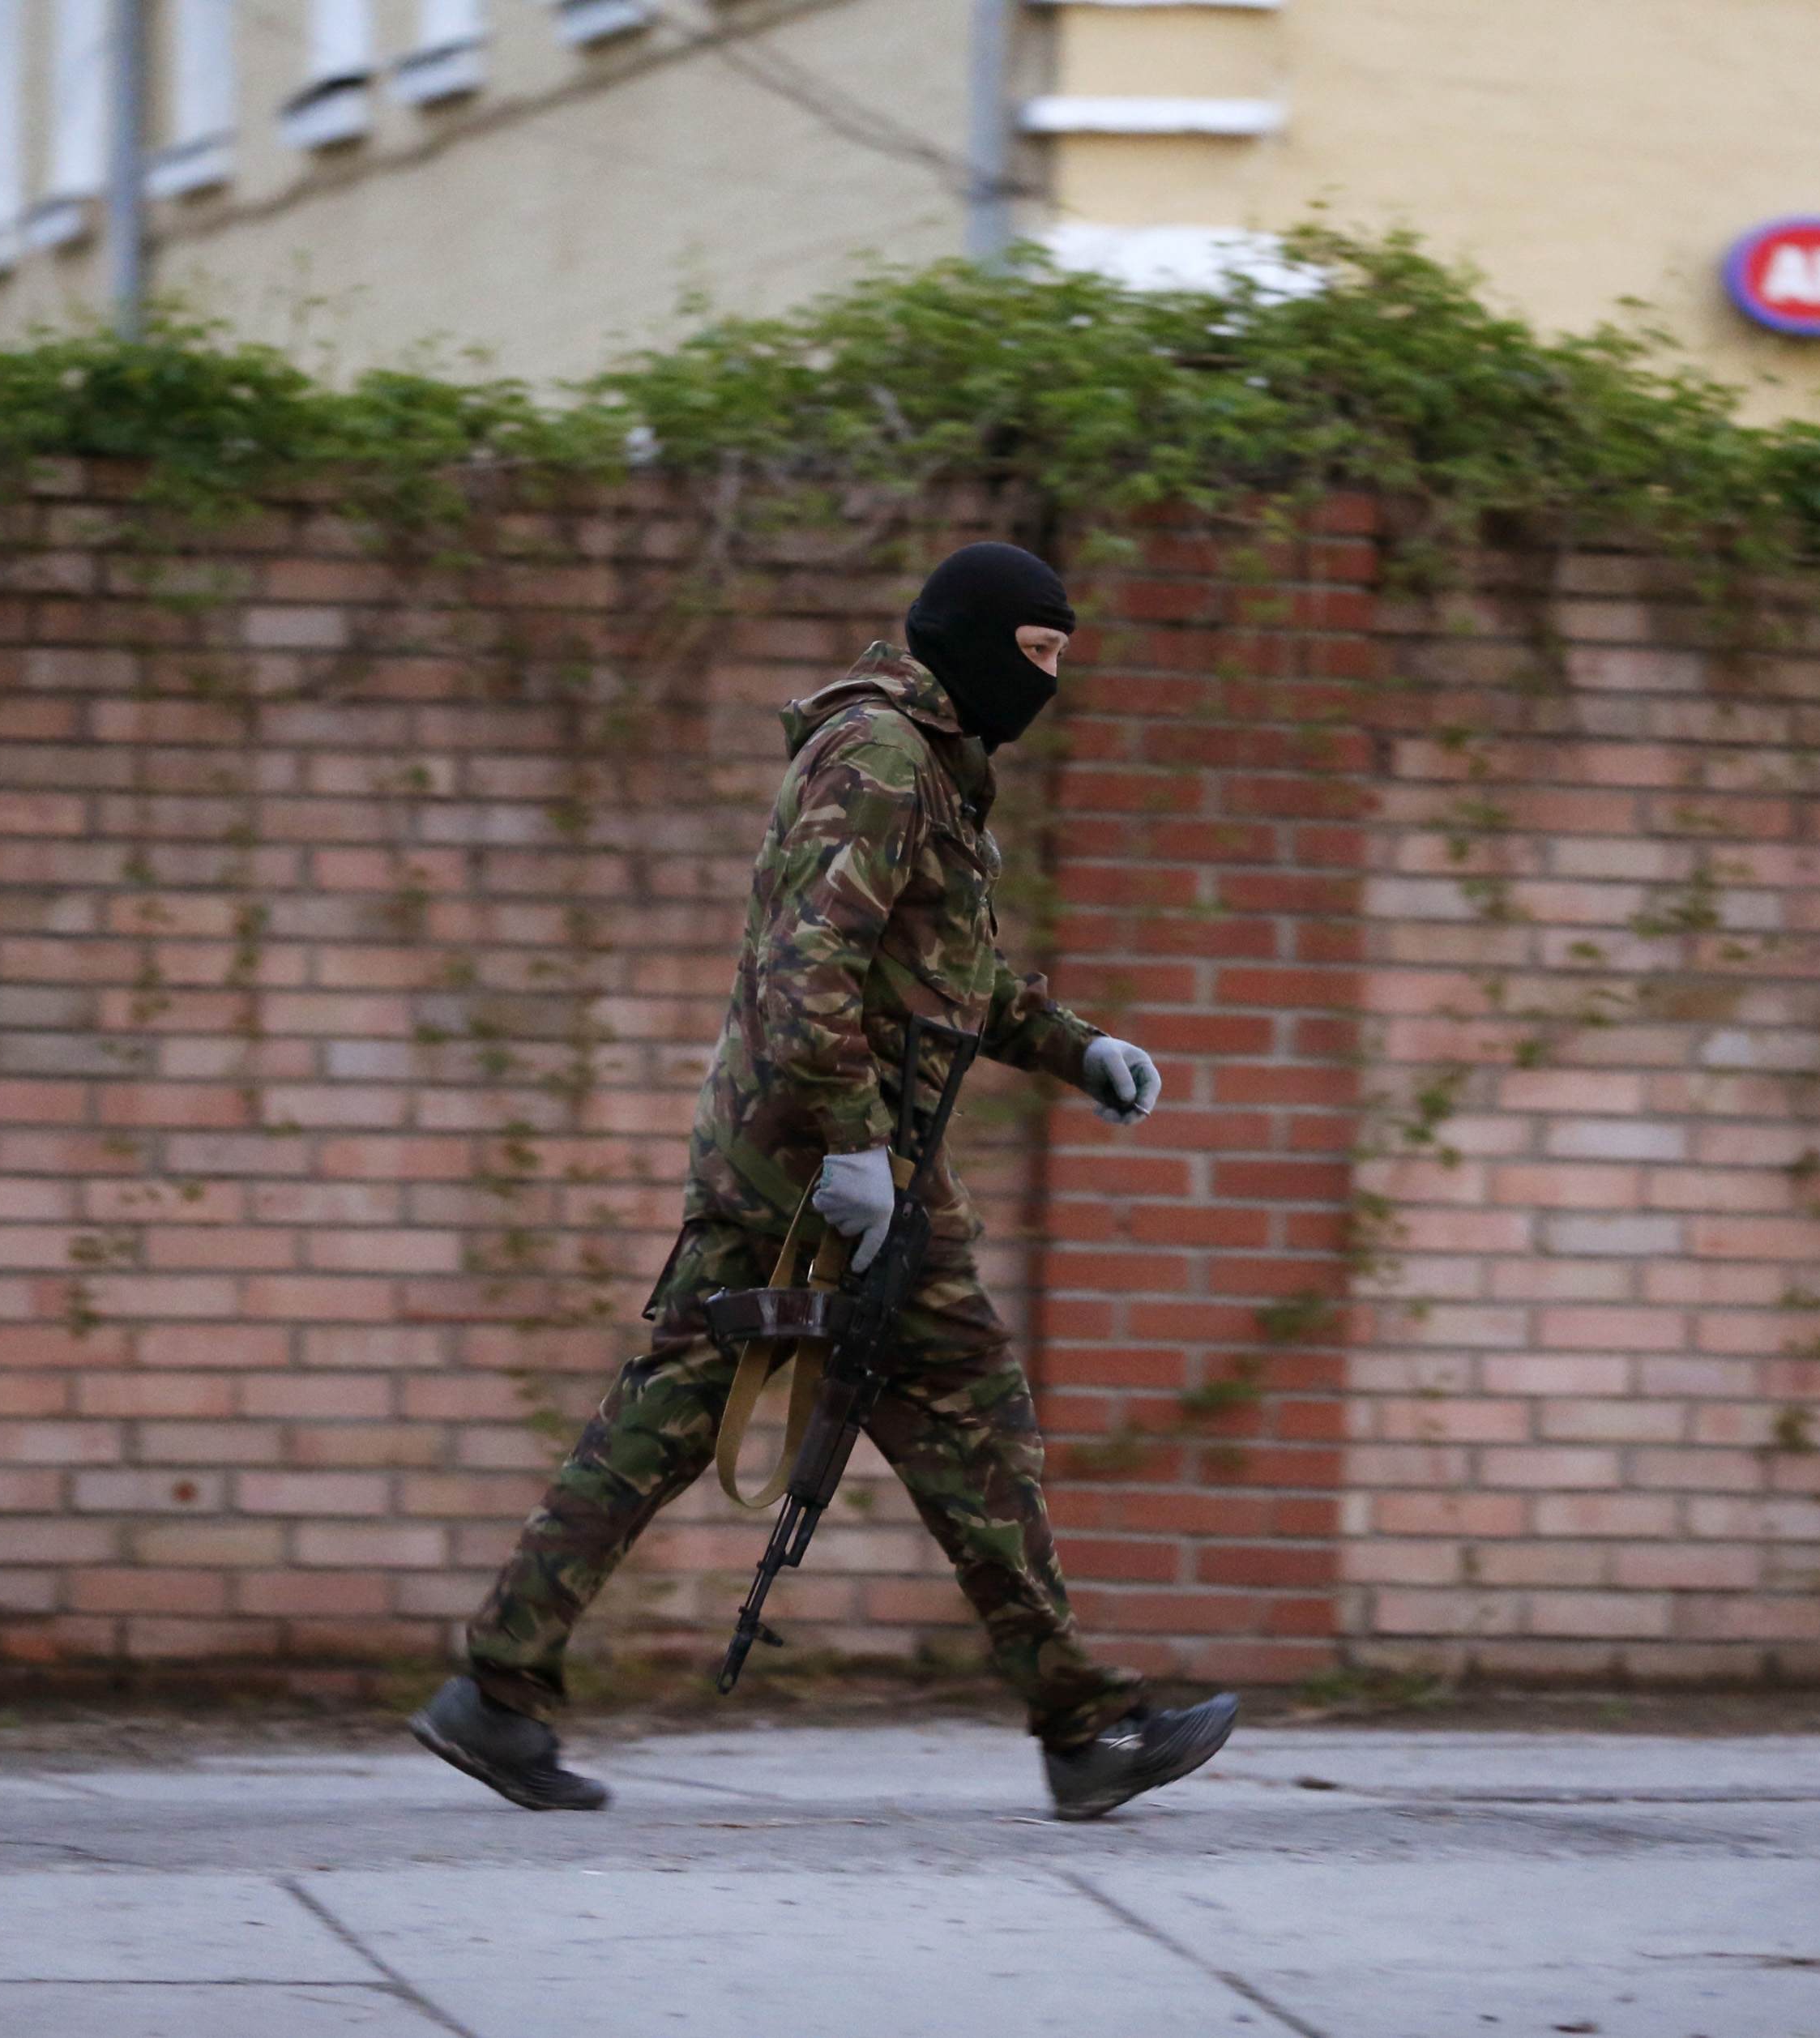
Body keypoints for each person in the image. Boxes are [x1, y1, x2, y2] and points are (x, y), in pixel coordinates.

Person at [410, 543, 1237, 1819]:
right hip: (807, 1156)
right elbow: (810, 969)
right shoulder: (881, 761)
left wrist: (1079, 1050)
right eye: (1039, 654)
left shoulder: (933, 771)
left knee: (904, 1413)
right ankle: (1080, 1727)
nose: (1053, 683)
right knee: (744, 1410)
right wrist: (853, 1147)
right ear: (969, 639)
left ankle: (503, 1685)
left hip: (857, 1154)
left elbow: (945, 978)